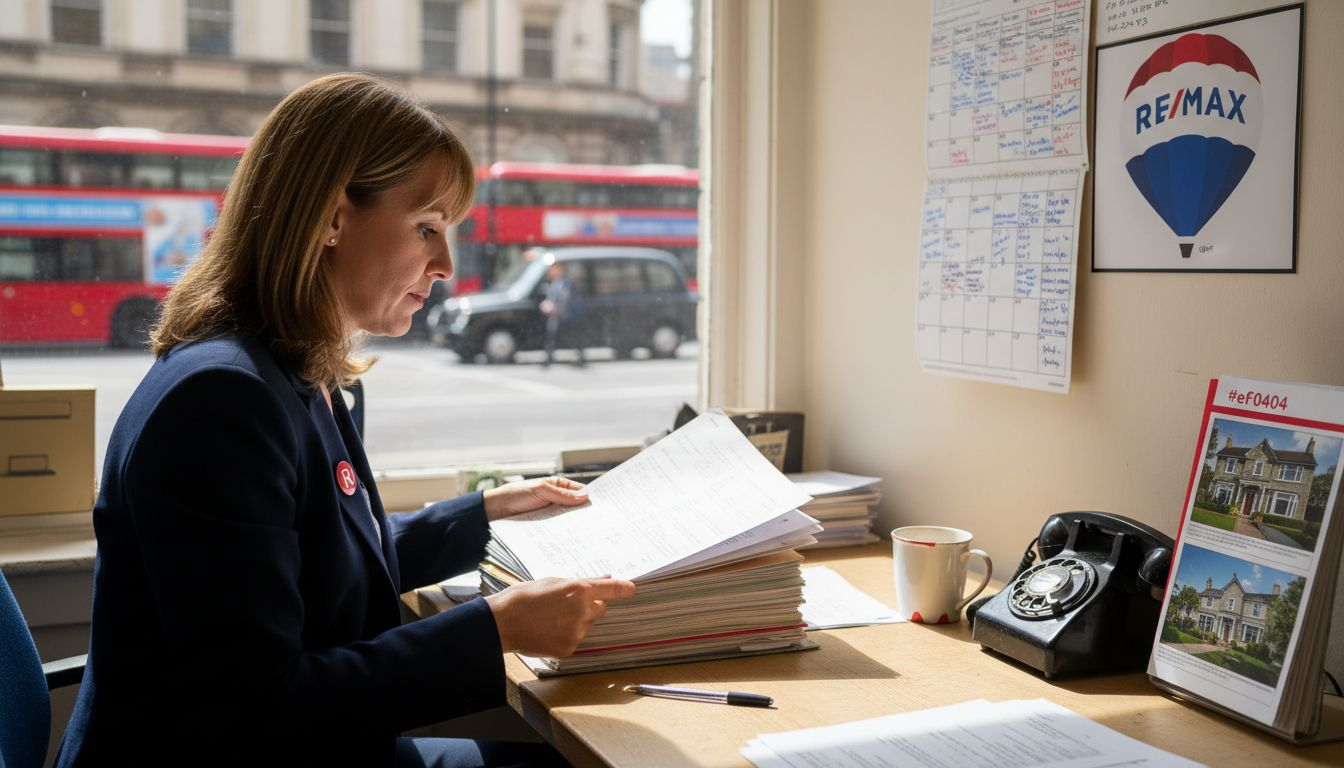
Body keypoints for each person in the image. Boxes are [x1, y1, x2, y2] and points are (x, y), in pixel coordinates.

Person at [56, 73, 636, 767]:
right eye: (427, 228)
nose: (448, 264)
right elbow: (262, 708)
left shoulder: (292, 371)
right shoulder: (219, 401)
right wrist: (495, 630)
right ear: (332, 218)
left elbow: (315, 555)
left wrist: (484, 514)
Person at [539, 261, 584, 367]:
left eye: (553, 269)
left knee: (571, 337)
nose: (550, 271)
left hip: (565, 315)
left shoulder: (566, 282)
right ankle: (549, 357)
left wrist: (556, 308)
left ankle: (578, 357)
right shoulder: (555, 282)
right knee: (552, 336)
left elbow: (566, 298)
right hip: (556, 315)